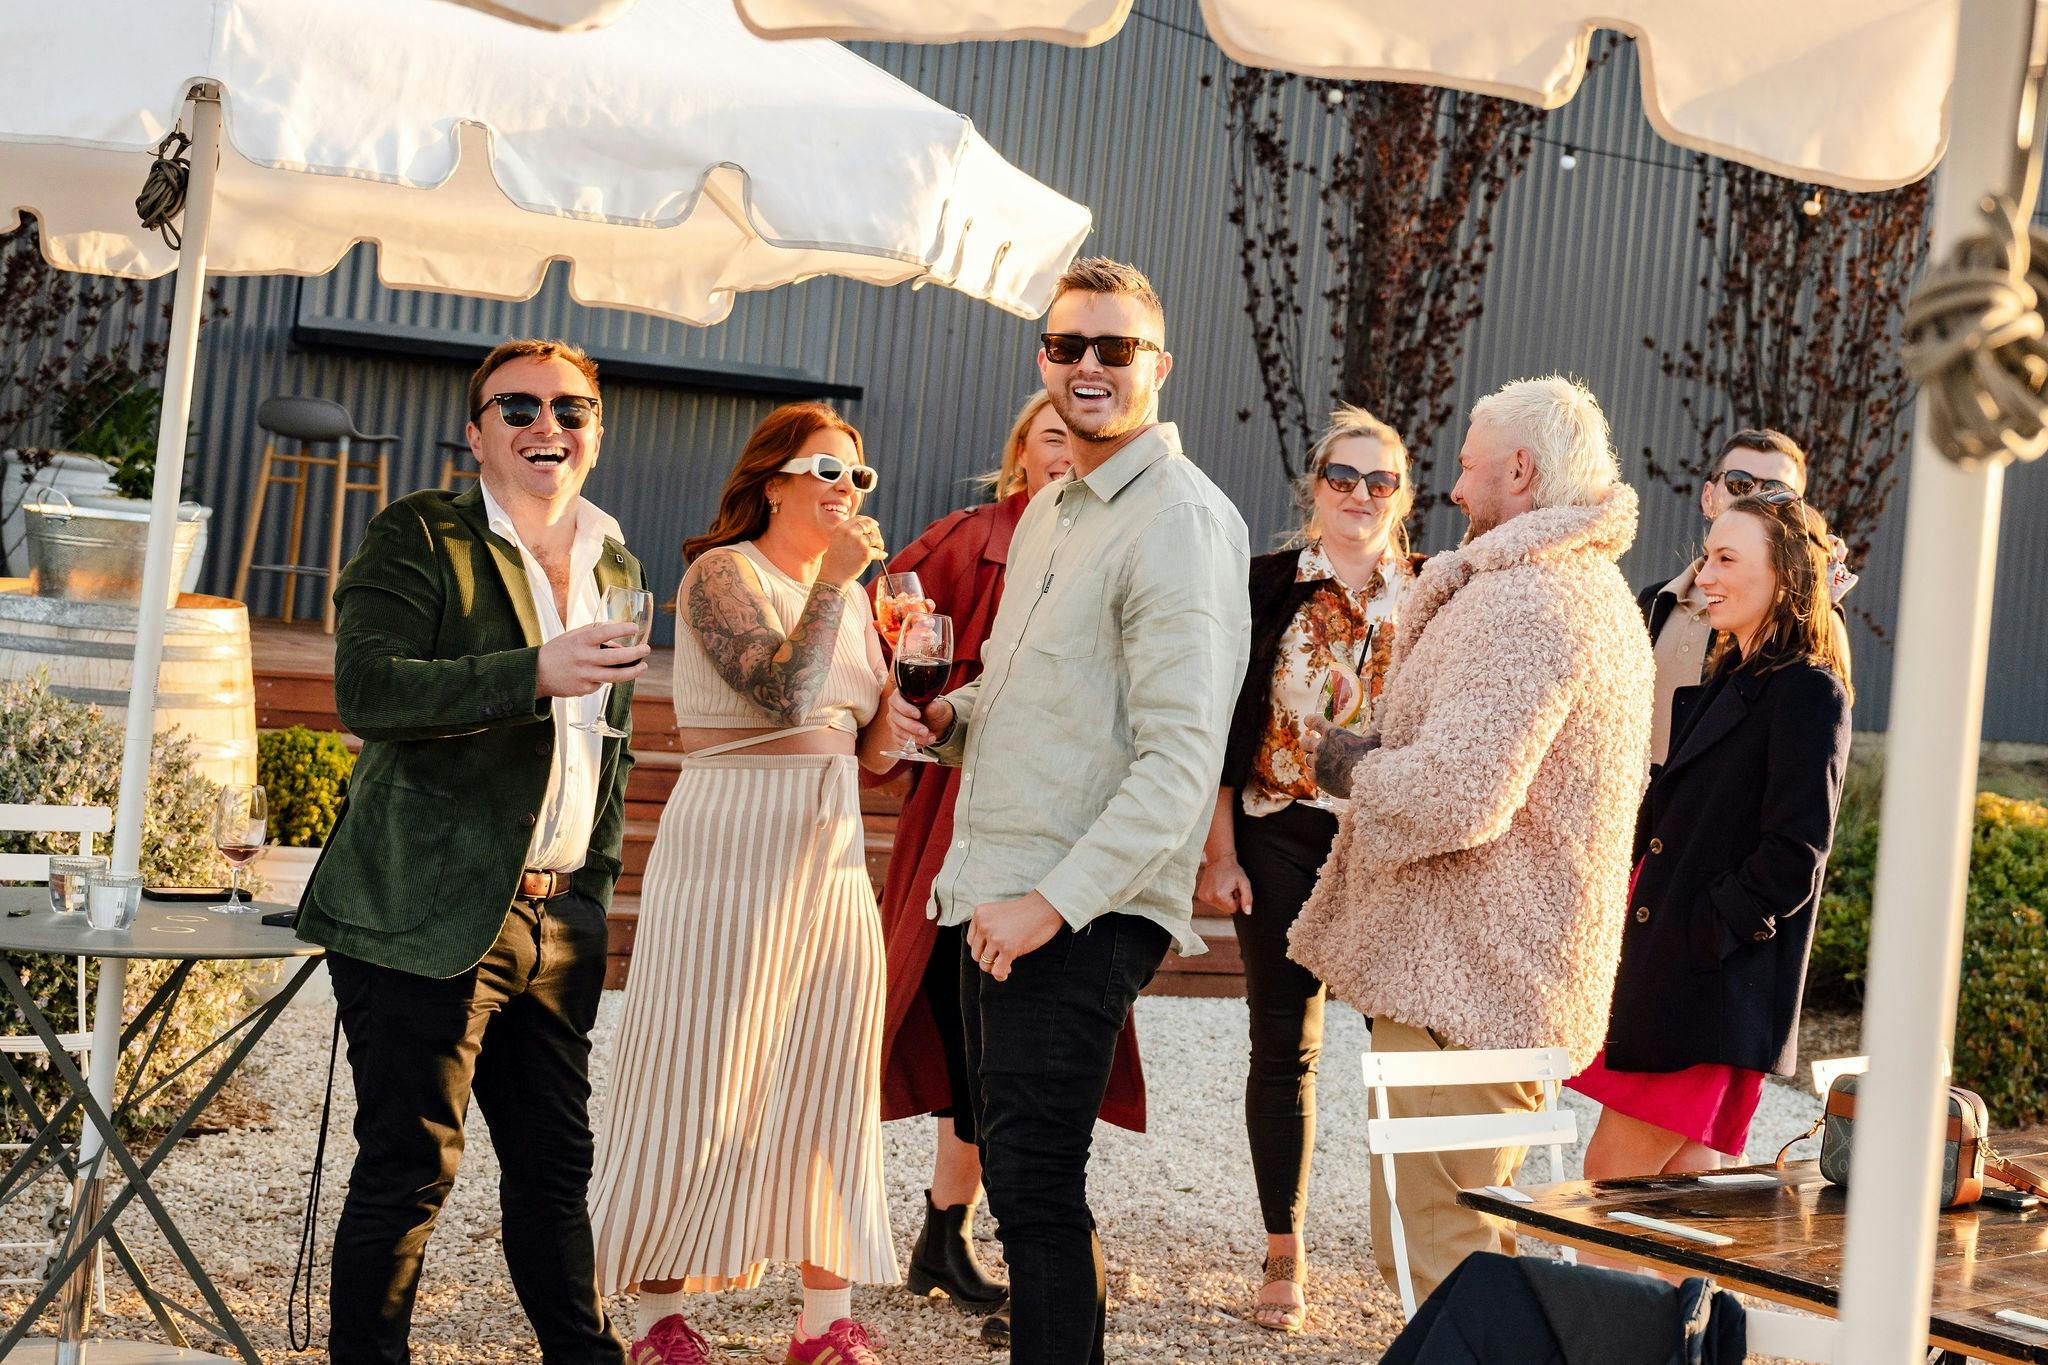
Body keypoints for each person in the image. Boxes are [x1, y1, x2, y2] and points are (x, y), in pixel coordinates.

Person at [887, 256, 1251, 1365]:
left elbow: (1179, 761)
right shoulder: (1051, 508)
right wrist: (943, 718)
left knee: (1039, 1190)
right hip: (990, 887)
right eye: (1066, 345)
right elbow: (1016, 689)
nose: (1087, 366)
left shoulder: (1180, 521)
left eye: (1114, 348)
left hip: (1071, 905)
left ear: (1158, 366)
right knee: (1021, 1182)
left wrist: (1048, 904)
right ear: (1043, 358)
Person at [301, 338, 650, 1364]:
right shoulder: (423, 533)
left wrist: (591, 891)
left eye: (571, 409)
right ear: (476, 433)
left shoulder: (616, 561)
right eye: (518, 407)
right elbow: (367, 691)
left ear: (596, 433)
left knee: (554, 1173)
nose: (548, 426)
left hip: (559, 915)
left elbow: (613, 741)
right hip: (425, 909)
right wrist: (532, 669)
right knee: (409, 1171)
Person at [1290, 375, 1653, 1305]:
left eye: (1466, 465)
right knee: (1452, 1241)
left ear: (1520, 470)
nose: (1452, 488)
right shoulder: (1586, 590)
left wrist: (1352, 768)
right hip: (1495, 980)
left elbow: (1459, 795)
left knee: (1440, 1253)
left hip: (1469, 985)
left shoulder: (1530, 601)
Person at [587, 403, 920, 1365]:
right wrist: (837, 582)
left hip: (830, 845)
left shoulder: (856, 596)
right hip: (731, 839)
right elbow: (781, 692)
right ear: (773, 483)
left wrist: (904, 718)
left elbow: (865, 748)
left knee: (830, 1070)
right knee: (698, 1069)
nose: (846, 490)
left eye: (857, 476)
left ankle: (823, 1320)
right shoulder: (720, 574)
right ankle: (655, 1319)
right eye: (825, 470)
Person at [875, 392, 1147, 1336]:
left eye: (1078, 438)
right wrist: (922, 699)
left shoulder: (1127, 534)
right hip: (961, 808)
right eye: (1048, 436)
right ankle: (957, 1231)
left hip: (1066, 830)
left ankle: (999, 1251)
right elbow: (890, 610)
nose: (1064, 451)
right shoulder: (979, 532)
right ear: (1019, 450)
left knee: (1030, 1068)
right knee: (964, 1036)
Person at [1197, 404, 1419, 1334]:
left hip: (1387, 845)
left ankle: (1421, 1251)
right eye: (1342, 476)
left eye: (1379, 480)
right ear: (1314, 487)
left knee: (1404, 1050)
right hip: (1277, 833)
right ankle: (1283, 1253)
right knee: (1284, 1043)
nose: (1360, 494)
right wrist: (1218, 849)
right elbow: (1222, 716)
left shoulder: (1433, 594)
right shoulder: (1263, 585)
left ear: (1401, 495)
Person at [1576, 493, 1853, 1177]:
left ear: (1784, 574)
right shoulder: (1733, 673)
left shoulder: (1808, 690)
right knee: (1682, 1201)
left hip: (1707, 987)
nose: (1704, 575)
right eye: (1707, 556)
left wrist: (1703, 932)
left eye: (1727, 558)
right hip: (1686, 978)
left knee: (1608, 1186)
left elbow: (1795, 854)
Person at [1639, 428, 1853, 766]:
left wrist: (1821, 592)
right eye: (1739, 483)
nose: (1754, 499)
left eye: (1776, 491)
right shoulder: (1655, 602)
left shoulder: (1795, 625)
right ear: (1708, 497)